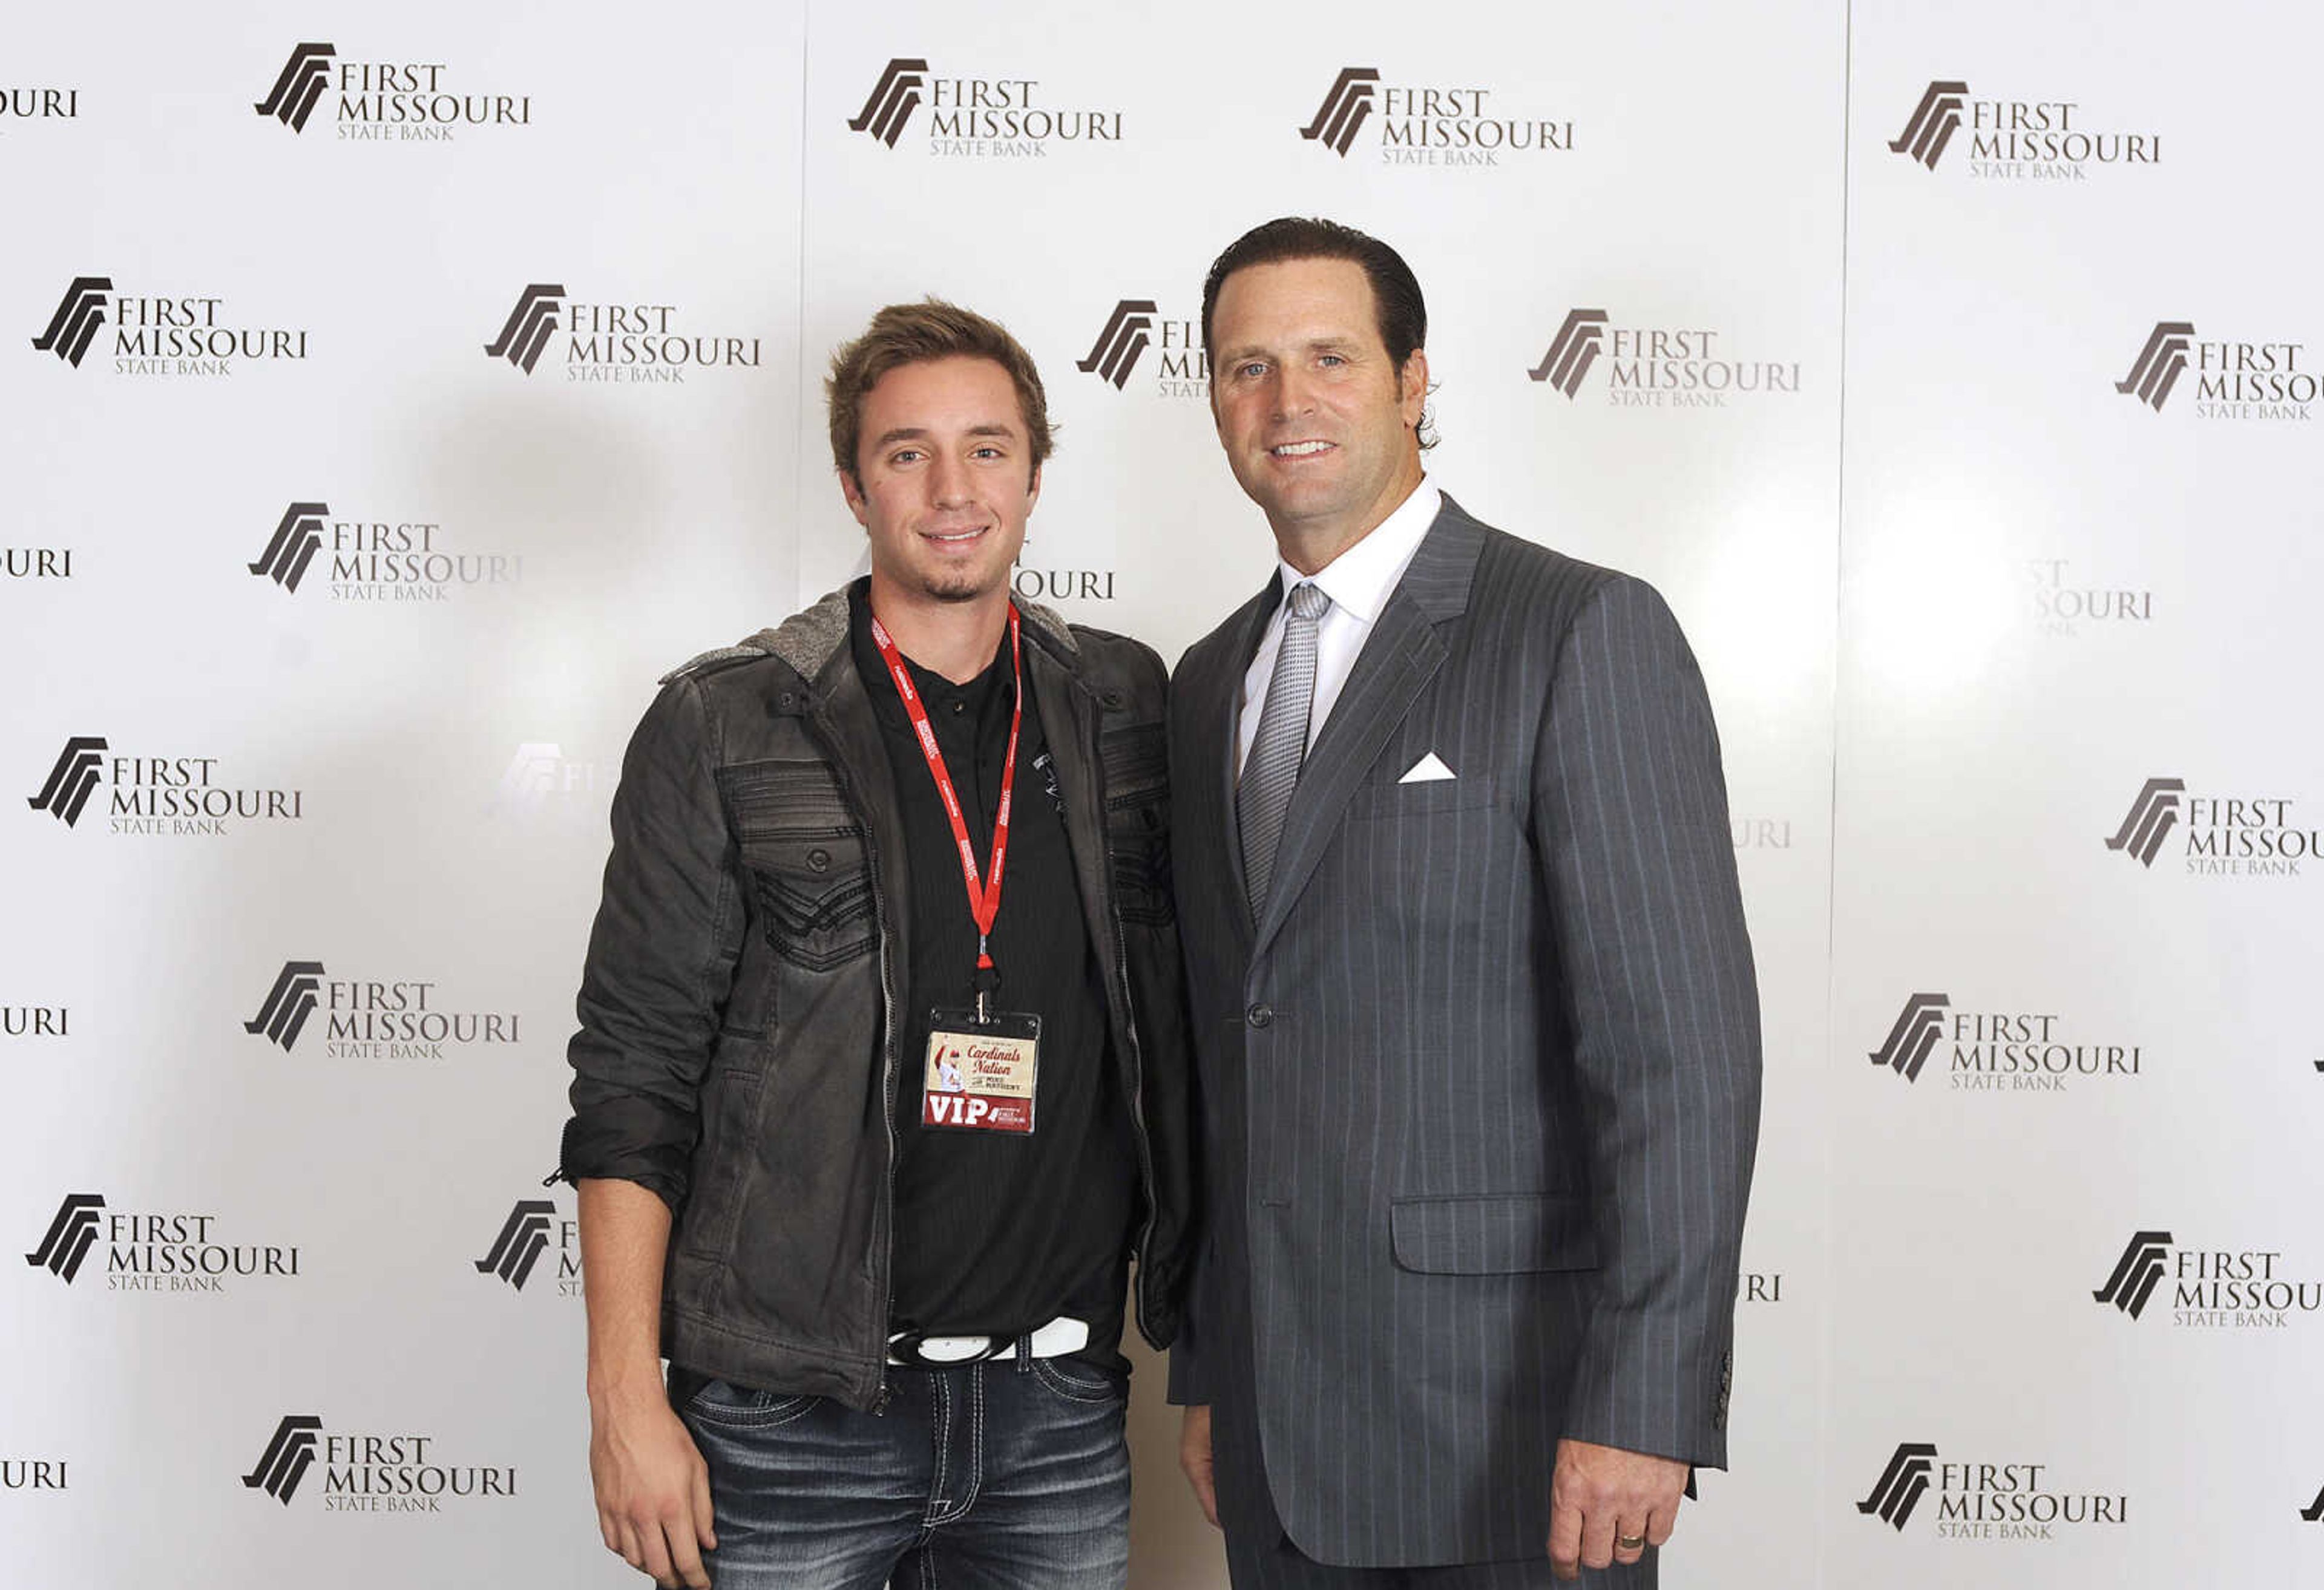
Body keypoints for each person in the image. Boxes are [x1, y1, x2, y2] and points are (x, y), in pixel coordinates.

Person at [559, 299, 1194, 1590]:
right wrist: (625, 1404)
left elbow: (1190, 1035)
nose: (953, 489)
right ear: (855, 486)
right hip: (790, 1417)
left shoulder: (1127, 705)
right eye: (908, 453)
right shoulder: (725, 721)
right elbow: (634, 1079)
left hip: (1059, 1409)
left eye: (988, 447)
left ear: (1033, 468)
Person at [1166, 217, 1762, 1588]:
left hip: (1514, 1442)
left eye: (1329, 356)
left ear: (1415, 379)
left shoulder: (1578, 632)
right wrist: (1211, 1364)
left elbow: (1683, 1062)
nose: (1287, 400)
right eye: (1246, 367)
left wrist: (1645, 1404)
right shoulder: (1209, 683)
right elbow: (1225, 1051)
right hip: (1275, 1438)